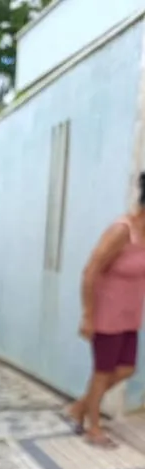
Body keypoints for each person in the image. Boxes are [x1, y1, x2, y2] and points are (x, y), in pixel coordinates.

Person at [67, 172, 145, 447]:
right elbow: (91, 271)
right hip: (106, 314)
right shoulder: (123, 231)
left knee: (125, 369)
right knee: (103, 371)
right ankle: (93, 427)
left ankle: (79, 408)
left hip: (129, 316)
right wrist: (88, 314)